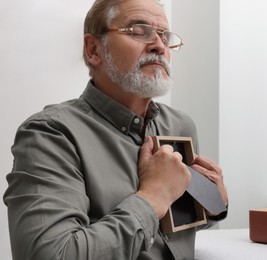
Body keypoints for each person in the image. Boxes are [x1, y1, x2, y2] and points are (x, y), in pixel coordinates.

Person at [3, 0, 228, 259]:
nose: (159, 45)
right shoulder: (50, 135)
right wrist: (153, 197)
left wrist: (213, 203)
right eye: (139, 31)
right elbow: (52, 255)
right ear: (93, 49)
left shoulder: (181, 125)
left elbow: (176, 229)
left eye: (165, 36)